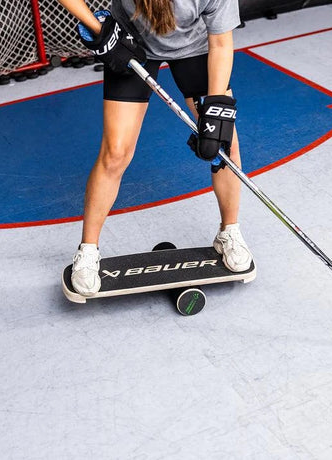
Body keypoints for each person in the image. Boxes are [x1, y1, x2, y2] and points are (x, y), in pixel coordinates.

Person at [57, 0, 253, 296]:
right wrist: (100, 29)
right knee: (115, 154)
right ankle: (88, 251)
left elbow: (222, 46)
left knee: (224, 145)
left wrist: (214, 111)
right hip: (130, 44)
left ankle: (229, 232)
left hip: (195, 48)